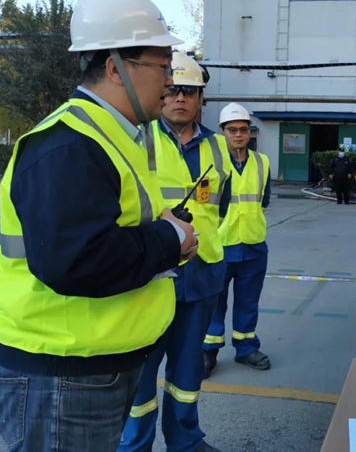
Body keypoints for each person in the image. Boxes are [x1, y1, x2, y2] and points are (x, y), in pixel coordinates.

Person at [0, 0, 196, 452]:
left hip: (90, 366)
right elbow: (75, 260)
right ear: (115, 68)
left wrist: (164, 233)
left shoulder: (115, 135)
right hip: (60, 374)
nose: (170, 82)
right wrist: (168, 239)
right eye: (163, 66)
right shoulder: (68, 145)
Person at [119, 52, 230, 452]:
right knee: (141, 374)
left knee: (187, 371)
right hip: (151, 276)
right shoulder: (136, 139)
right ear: (162, 93)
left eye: (191, 91)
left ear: (201, 98)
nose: (181, 98)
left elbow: (221, 208)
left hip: (202, 276)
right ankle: (135, 445)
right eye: (175, 90)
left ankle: (186, 441)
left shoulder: (218, 147)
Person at [203, 103, 272, 375]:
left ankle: (246, 348)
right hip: (219, 245)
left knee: (248, 301)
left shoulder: (262, 162)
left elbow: (263, 200)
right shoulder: (211, 163)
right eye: (232, 130)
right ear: (222, 132)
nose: (238, 135)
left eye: (243, 129)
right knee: (213, 302)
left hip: (253, 245)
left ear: (250, 132)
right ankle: (208, 350)